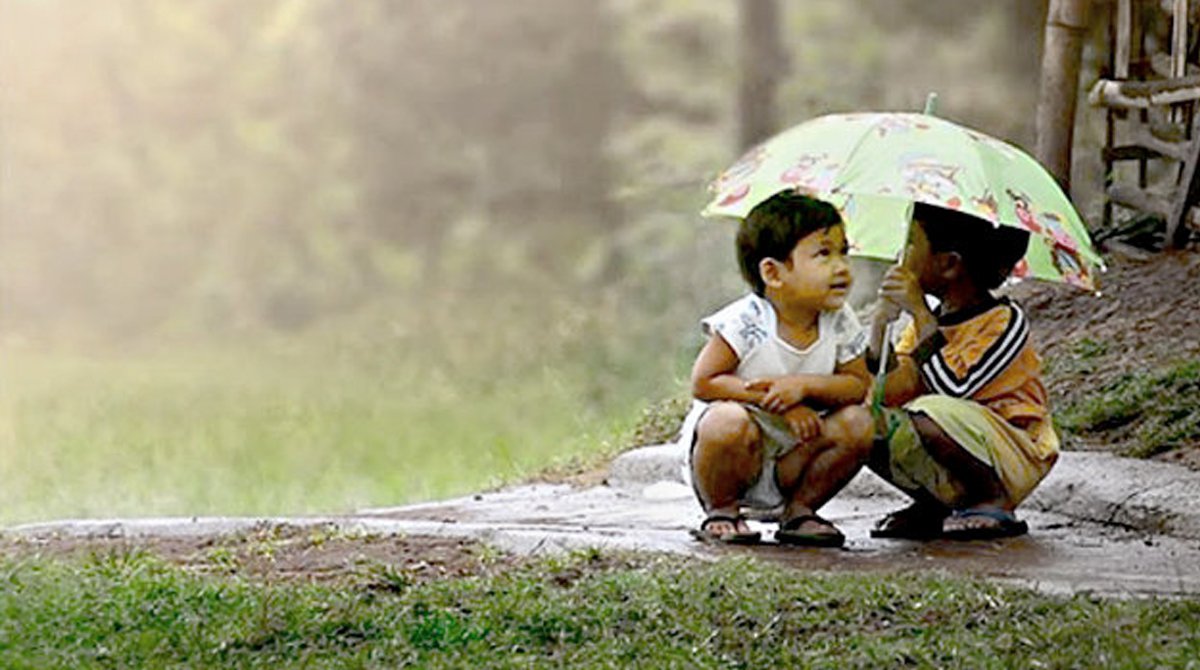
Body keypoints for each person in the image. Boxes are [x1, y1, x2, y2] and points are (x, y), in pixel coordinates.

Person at [684, 192, 875, 547]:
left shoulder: (839, 321)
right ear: (773, 272)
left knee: (858, 424)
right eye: (823, 254)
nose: (841, 267)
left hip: (797, 451)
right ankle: (722, 510)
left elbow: (857, 385)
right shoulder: (745, 321)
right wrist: (783, 402)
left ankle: (800, 512)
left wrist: (803, 386)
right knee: (726, 421)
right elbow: (705, 382)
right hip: (736, 453)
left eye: (843, 252)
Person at [868, 202, 1058, 540]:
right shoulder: (929, 322)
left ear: (949, 265)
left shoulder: (1004, 321)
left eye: (912, 243)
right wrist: (881, 326)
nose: (902, 253)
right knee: (865, 421)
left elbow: (954, 389)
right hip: (951, 430)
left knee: (931, 412)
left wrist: (921, 313)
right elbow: (890, 391)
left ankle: (993, 500)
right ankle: (935, 503)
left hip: (1011, 453)